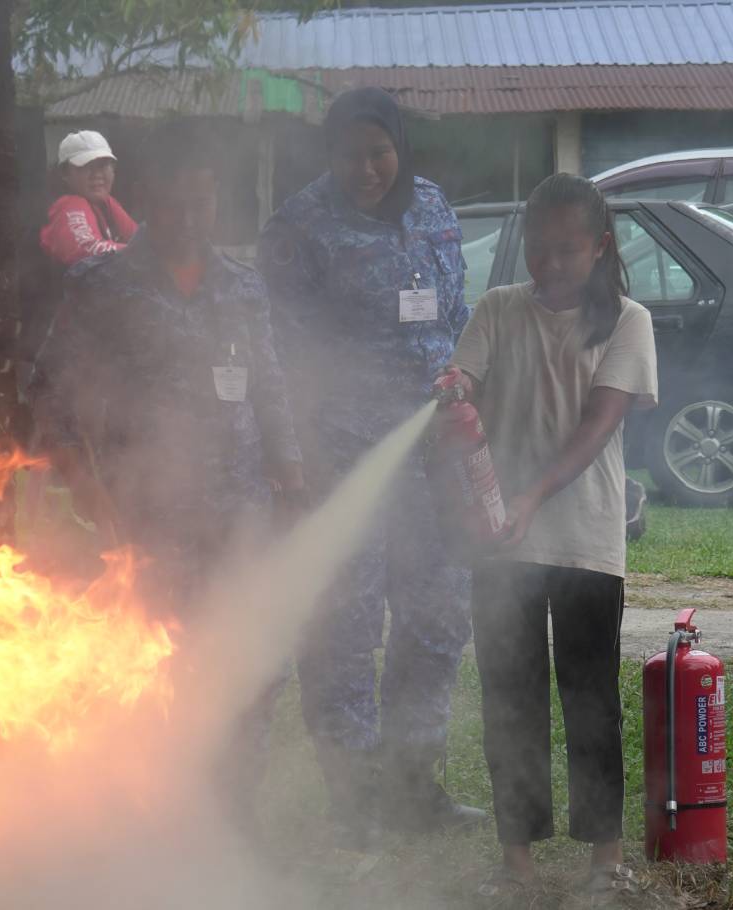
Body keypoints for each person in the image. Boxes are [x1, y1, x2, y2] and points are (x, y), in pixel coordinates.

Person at [31, 119, 304, 829]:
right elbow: (50, 396)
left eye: (203, 203)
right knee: (157, 674)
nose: (189, 219)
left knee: (246, 673)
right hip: (147, 522)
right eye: (176, 203)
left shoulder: (243, 288)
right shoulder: (104, 285)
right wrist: (87, 491)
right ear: (148, 199)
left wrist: (292, 482)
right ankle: (155, 829)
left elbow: (271, 391)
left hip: (239, 520)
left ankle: (231, 829)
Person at [257, 87, 480, 844]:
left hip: (435, 460)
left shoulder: (436, 208)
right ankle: (357, 803)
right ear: (329, 155)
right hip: (345, 459)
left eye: (379, 151)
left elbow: (455, 317)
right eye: (351, 154)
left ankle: (416, 790)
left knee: (439, 619)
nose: (367, 168)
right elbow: (282, 353)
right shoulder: (299, 227)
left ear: (400, 146)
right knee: (346, 630)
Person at [446, 173, 656, 901]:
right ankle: (518, 867)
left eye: (569, 249)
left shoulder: (628, 321)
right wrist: (455, 389)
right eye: (539, 248)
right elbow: (463, 377)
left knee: (591, 696)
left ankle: (605, 862)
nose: (552, 263)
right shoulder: (497, 309)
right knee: (511, 699)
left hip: (585, 541)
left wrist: (532, 493)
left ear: (600, 247)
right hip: (502, 538)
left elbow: (597, 426)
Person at [39, 130, 137, 267]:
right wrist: (139, 253)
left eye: (103, 165)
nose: (97, 174)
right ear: (65, 173)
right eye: (86, 166)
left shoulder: (105, 202)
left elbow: (137, 237)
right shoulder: (67, 205)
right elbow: (88, 251)